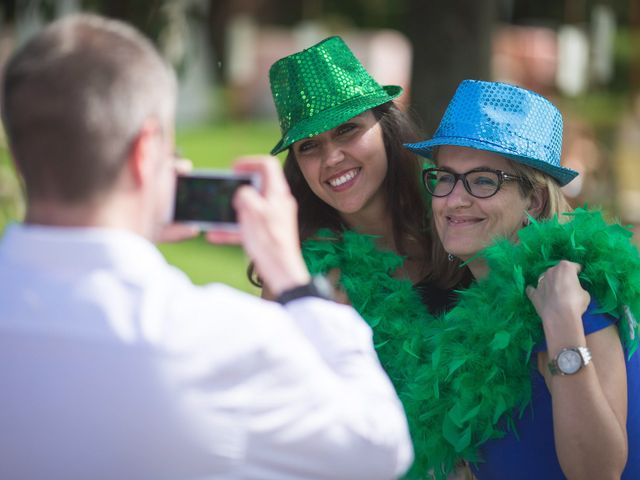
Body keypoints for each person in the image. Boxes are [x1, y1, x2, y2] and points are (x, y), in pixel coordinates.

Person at [0, 14, 414, 480]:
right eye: (309, 146)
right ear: (145, 151)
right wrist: (298, 287)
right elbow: (377, 448)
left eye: (347, 130)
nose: (332, 156)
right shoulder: (222, 341)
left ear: (17, 158)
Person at [404, 79, 640, 479]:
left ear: (535, 200)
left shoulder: (577, 295)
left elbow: (599, 472)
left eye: (482, 180)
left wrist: (563, 328)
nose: (454, 199)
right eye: (444, 177)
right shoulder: (469, 312)